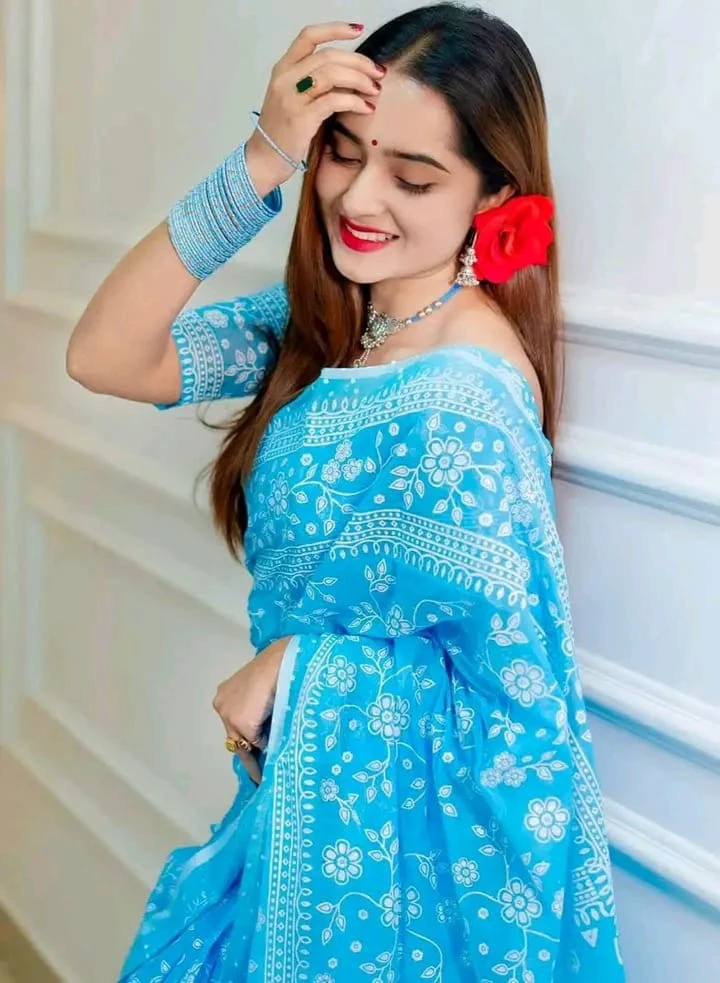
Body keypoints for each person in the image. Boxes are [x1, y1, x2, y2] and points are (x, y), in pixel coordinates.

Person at [66, 4, 625, 980]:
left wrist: (299, 667)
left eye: (413, 176)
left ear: (496, 195)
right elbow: (105, 354)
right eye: (343, 152)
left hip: (402, 889)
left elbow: (514, 707)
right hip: (294, 807)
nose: (358, 197)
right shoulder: (331, 321)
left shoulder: (466, 396)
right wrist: (262, 159)